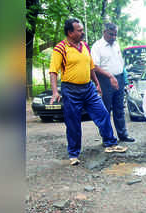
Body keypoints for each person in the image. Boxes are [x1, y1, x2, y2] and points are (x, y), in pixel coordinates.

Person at [49, 18, 120, 166]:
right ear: (70, 32)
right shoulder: (60, 49)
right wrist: (55, 91)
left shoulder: (85, 46)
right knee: (73, 122)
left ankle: (110, 144)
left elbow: (91, 67)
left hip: (88, 88)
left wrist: (97, 84)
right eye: (79, 30)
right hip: (71, 90)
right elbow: (53, 71)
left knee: (103, 114)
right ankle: (73, 154)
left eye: (82, 30)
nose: (82, 33)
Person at [91, 22, 135, 142]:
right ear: (104, 32)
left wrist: (123, 79)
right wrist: (110, 76)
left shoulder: (116, 44)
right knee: (105, 110)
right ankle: (107, 138)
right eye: (111, 34)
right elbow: (94, 66)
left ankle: (123, 134)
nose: (114, 37)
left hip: (119, 79)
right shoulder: (97, 46)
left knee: (119, 108)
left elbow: (120, 63)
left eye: (115, 35)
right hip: (105, 80)